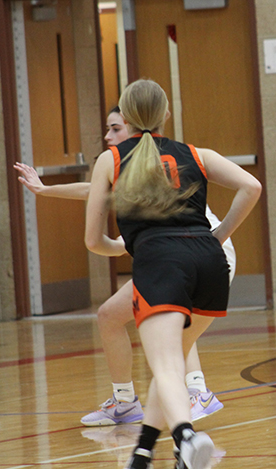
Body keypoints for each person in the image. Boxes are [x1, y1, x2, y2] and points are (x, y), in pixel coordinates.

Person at [14, 106, 229, 427]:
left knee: (172, 326)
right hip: (190, 251)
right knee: (112, 316)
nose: (108, 136)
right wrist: (46, 190)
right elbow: (95, 190)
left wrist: (112, 244)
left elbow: (96, 197)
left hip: (196, 249)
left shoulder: (149, 159)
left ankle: (191, 399)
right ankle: (128, 402)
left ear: (135, 127)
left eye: (115, 129)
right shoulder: (136, 161)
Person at [84, 78, 261, 469]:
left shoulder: (111, 159)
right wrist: (218, 236)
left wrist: (125, 245)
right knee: (172, 364)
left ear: (126, 118)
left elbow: (93, 241)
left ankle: (186, 436)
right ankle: (143, 452)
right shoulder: (195, 154)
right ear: (165, 114)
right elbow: (251, 186)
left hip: (163, 264)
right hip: (210, 264)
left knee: (164, 365)